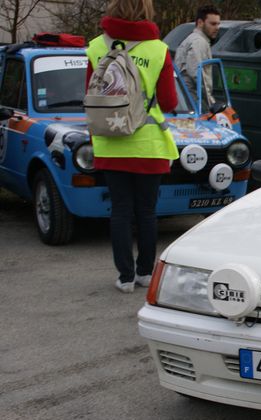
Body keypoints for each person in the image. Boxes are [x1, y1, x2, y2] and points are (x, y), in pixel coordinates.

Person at [85, 0, 179, 293]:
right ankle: (145, 274)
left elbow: (89, 96)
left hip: (110, 143)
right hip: (148, 145)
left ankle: (124, 277)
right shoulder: (158, 50)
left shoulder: (95, 47)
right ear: (147, 12)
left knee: (121, 211)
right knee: (147, 212)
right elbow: (169, 102)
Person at [174, 5, 221, 107]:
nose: (217, 28)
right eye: (213, 24)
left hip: (185, 100)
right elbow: (197, 74)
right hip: (192, 101)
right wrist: (211, 103)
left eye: (218, 24)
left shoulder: (191, 39)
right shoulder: (199, 42)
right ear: (200, 22)